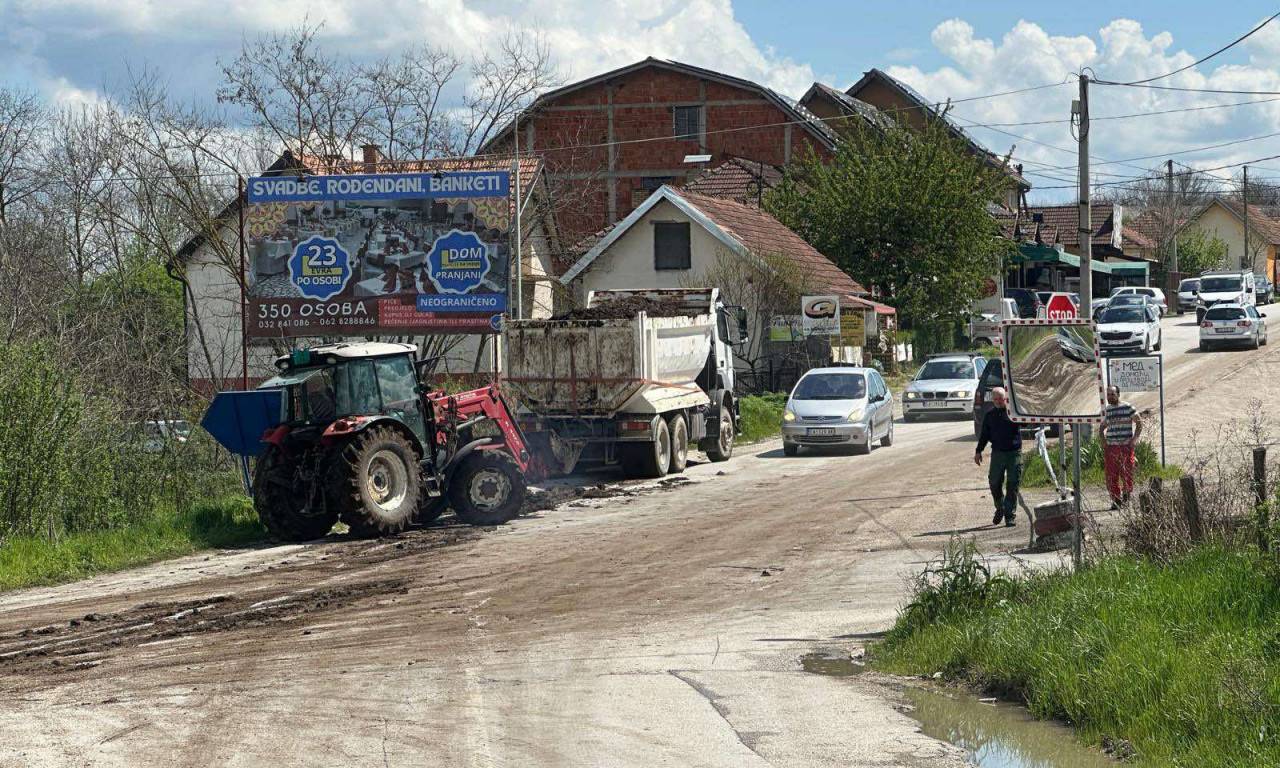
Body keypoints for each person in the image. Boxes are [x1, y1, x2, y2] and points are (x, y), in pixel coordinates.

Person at [974, 387, 1022, 527]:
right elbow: (984, 435)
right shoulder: (990, 415)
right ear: (992, 400)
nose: (999, 401)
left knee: (1013, 483)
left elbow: (1025, 422)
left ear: (1005, 399)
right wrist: (978, 451)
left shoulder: (1013, 413)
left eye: (1001, 399)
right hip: (998, 453)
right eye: (996, 399)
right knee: (994, 483)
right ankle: (1000, 507)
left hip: (1014, 452)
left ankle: (1010, 515)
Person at [1101, 385, 1142, 508]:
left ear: (1118, 395)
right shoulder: (1106, 411)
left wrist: (1135, 439)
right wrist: (1103, 441)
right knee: (1111, 475)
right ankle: (1116, 500)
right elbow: (1101, 428)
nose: (1110, 397)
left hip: (1125, 446)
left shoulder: (1128, 407)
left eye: (1112, 394)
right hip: (1111, 447)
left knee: (1127, 473)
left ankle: (1126, 497)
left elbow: (1139, 423)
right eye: (1108, 395)